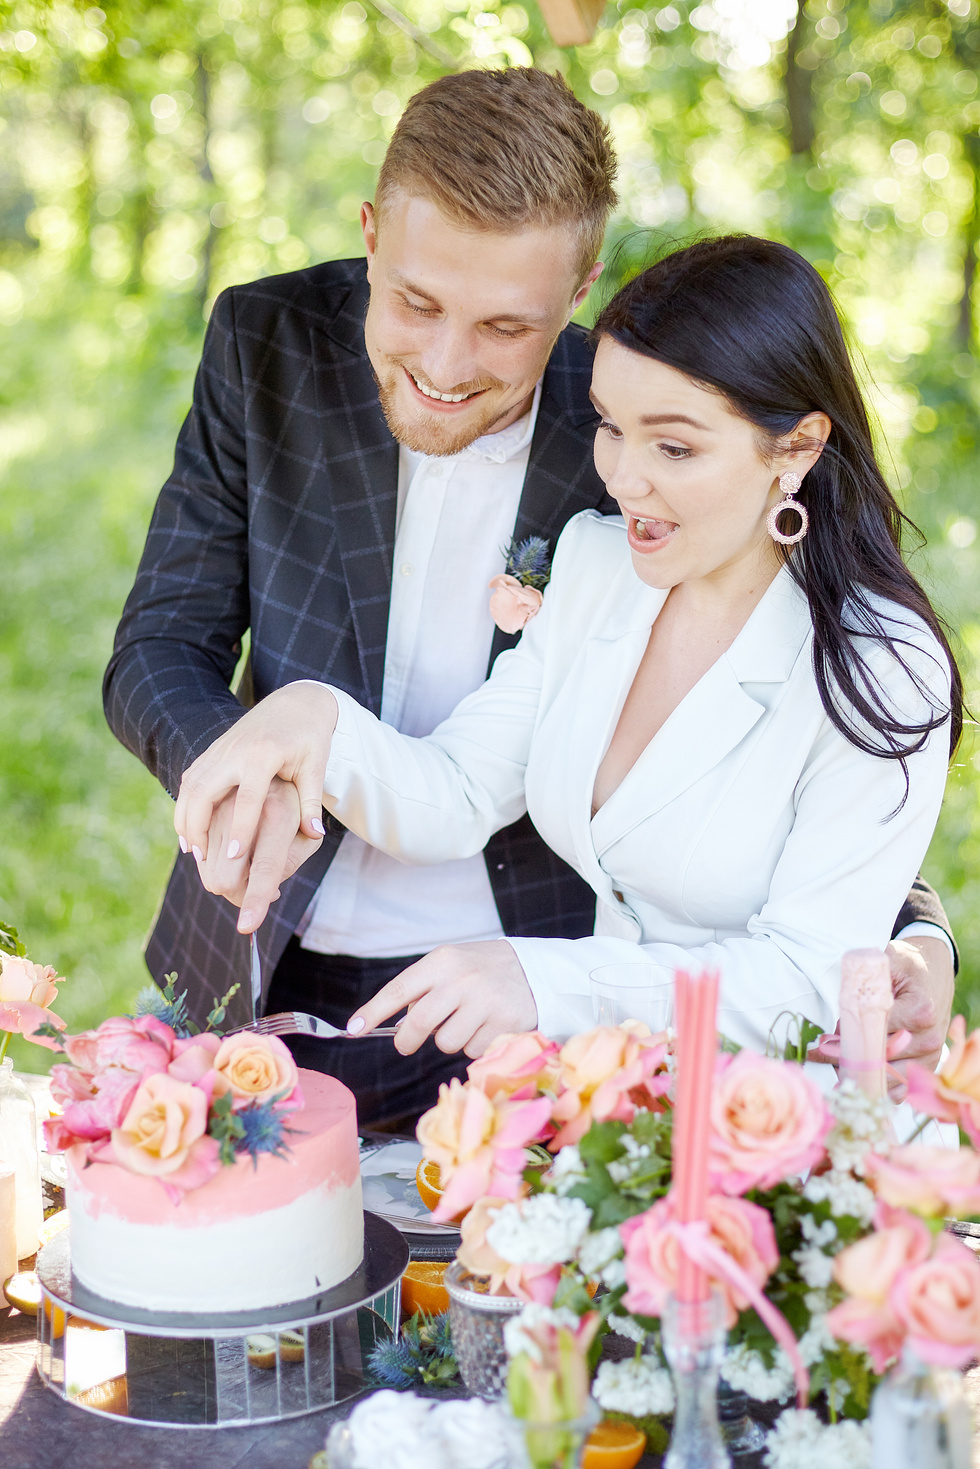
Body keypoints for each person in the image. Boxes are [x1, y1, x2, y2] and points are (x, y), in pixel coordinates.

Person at [106, 66, 953, 1125]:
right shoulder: (273, 348)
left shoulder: (637, 426)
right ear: (371, 234)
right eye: (415, 302)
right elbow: (177, 653)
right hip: (268, 954)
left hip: (580, 1040)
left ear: (578, 289)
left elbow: (816, 845)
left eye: (508, 327)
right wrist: (280, 743)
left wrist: (917, 929)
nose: (449, 363)